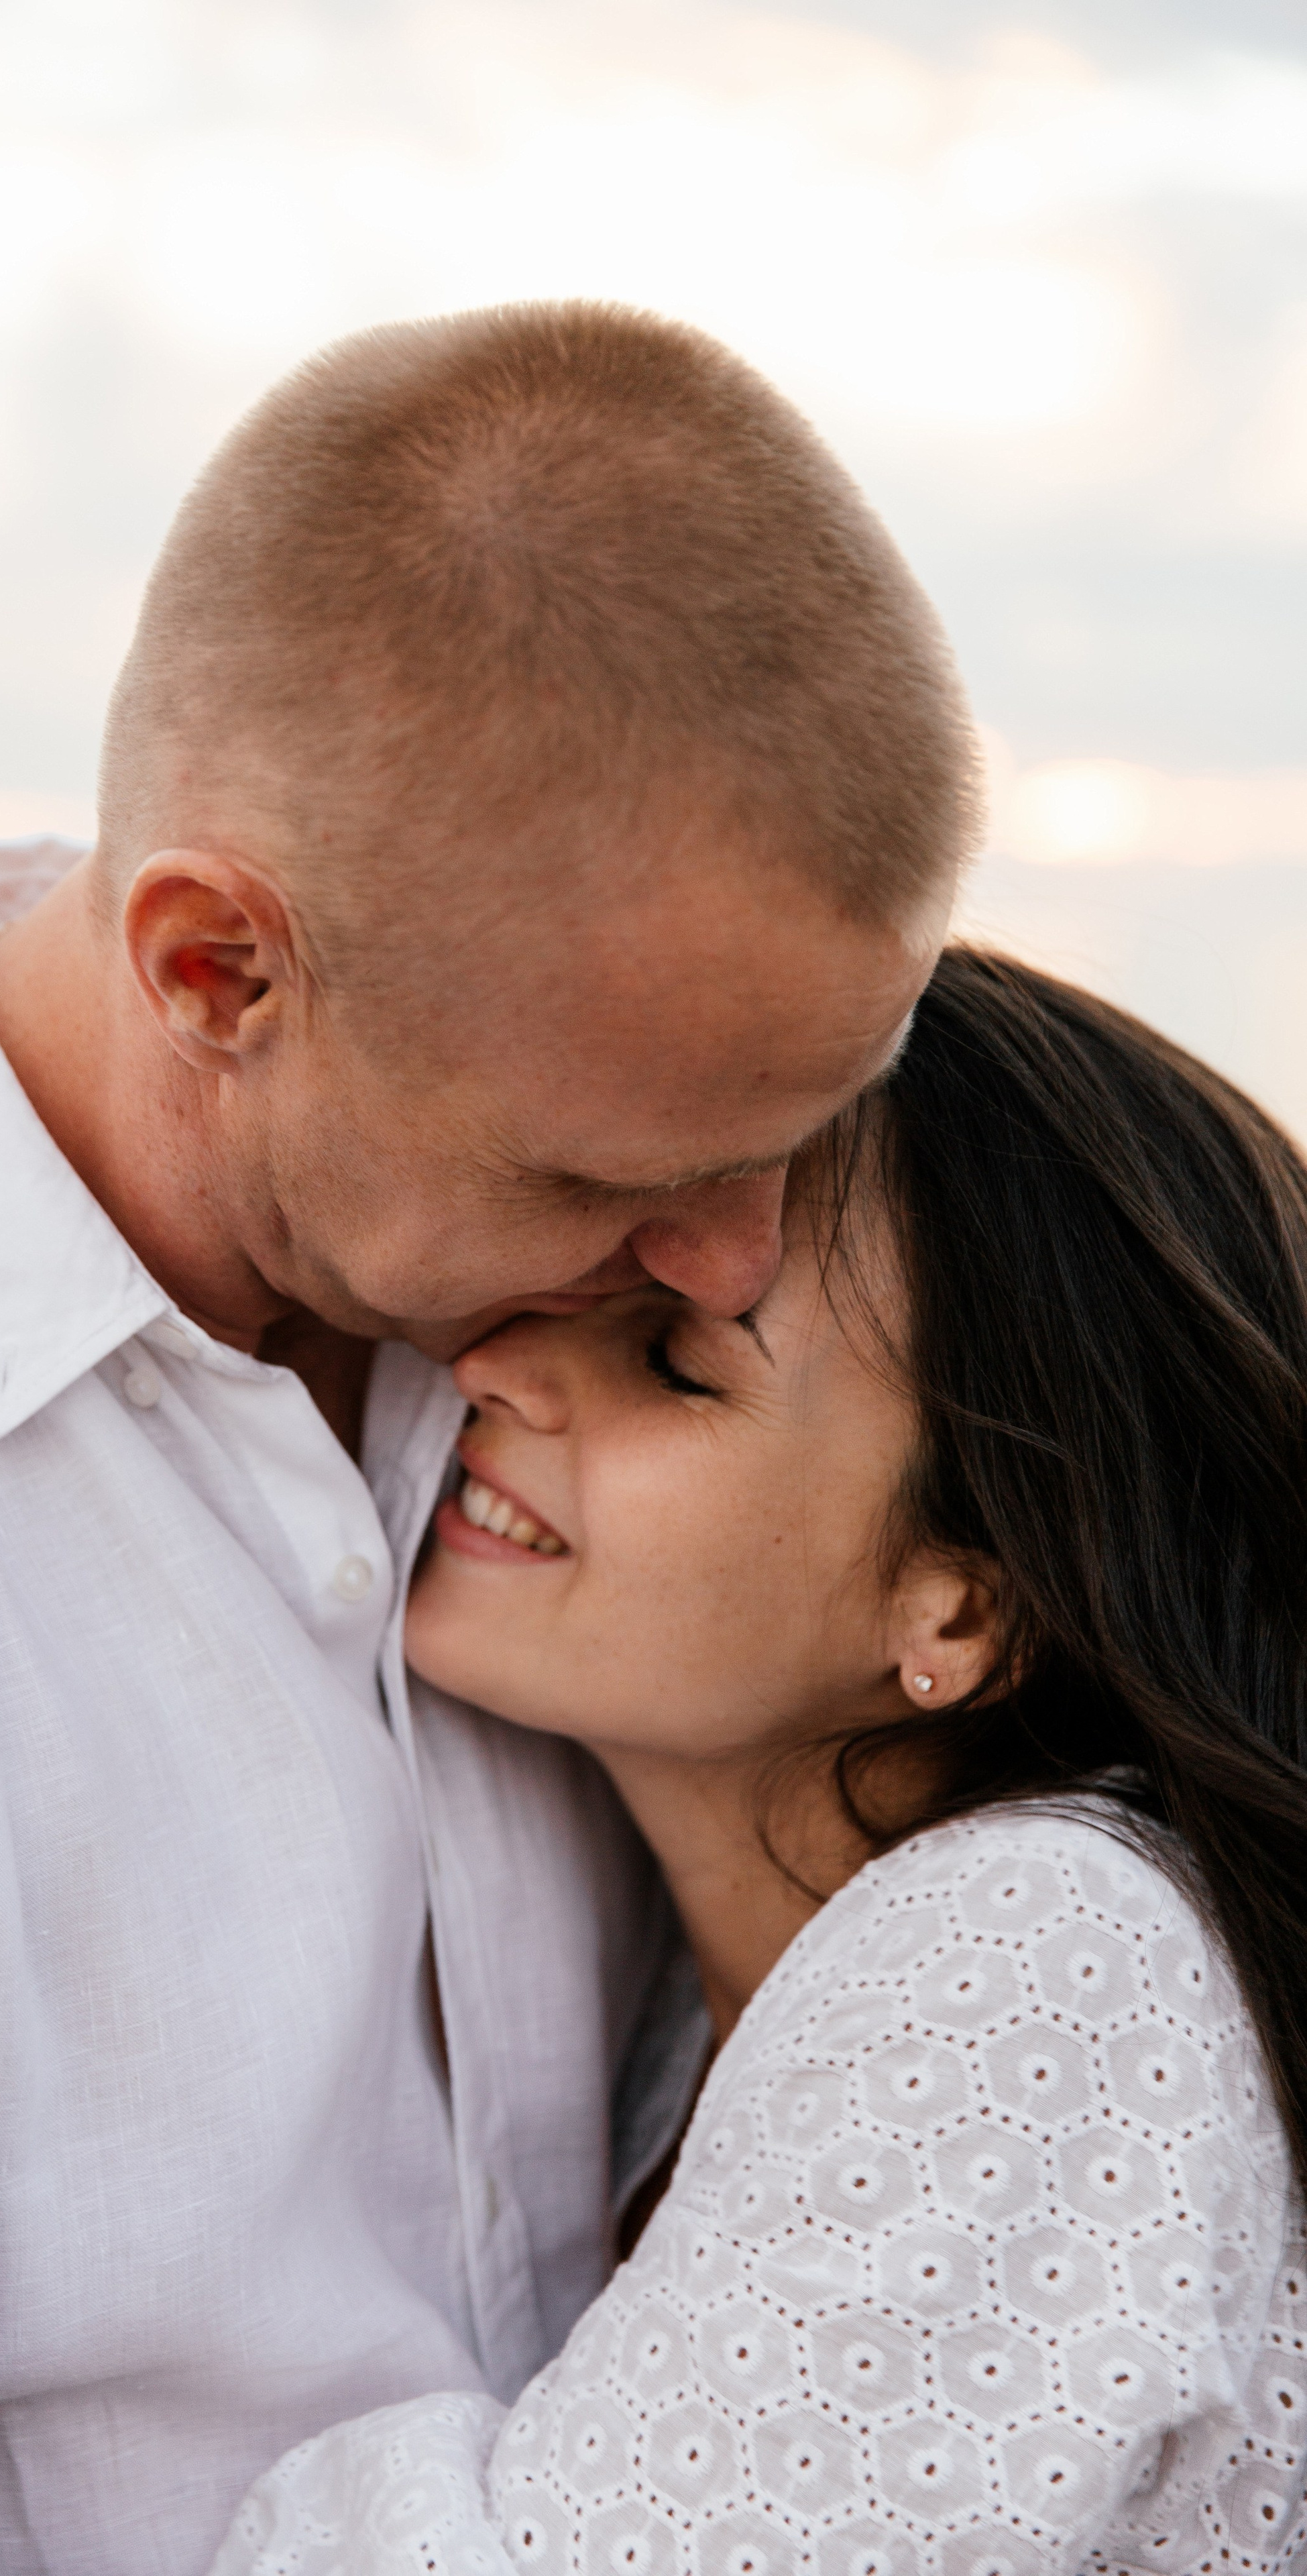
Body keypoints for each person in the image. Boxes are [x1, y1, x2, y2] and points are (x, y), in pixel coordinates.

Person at [0, 303, 978, 2574]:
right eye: (606, 1171)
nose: (733, 1263)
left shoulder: (593, 1338)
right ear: (217, 973)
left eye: (806, 1132)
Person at [211, 946, 1307, 2576]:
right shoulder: (702, 1976)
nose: (497, 1366)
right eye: (583, 1271)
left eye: (670, 1355)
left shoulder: (1040, 1959)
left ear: (963, 1600)